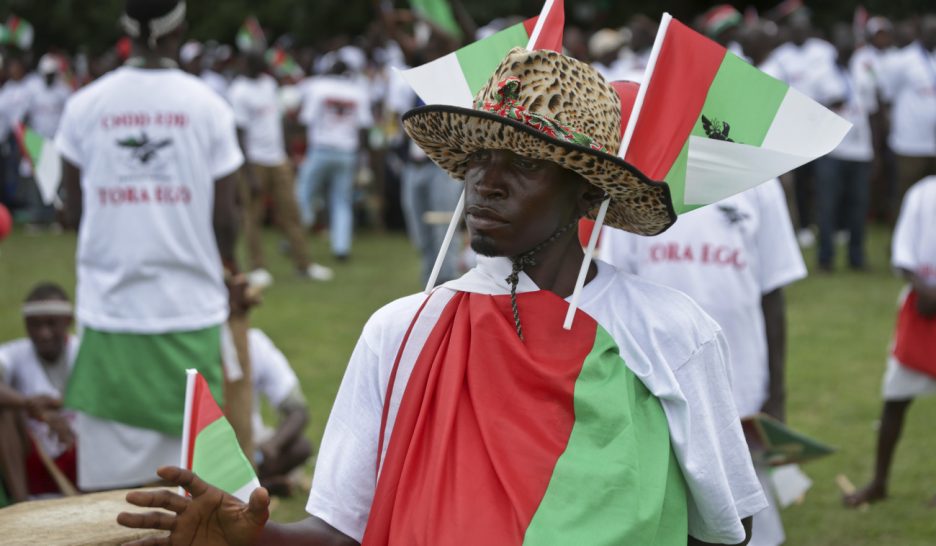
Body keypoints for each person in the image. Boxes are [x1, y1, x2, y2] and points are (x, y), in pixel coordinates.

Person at [120, 48, 764, 546]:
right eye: (480, 157)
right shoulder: (401, 331)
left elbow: (726, 529)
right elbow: (342, 530)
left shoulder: (672, 334)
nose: (486, 183)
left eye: (527, 163)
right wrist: (253, 539)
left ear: (587, 194)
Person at [56, 0, 244, 490]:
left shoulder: (83, 105)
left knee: (106, 497)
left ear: (125, 28)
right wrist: (230, 264)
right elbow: (226, 217)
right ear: (180, 26)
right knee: (196, 488)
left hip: (110, 311)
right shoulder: (209, 106)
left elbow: (72, 212)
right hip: (190, 314)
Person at [599, 176, 807, 546]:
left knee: (747, 514)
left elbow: (773, 293)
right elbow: (612, 291)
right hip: (655, 383)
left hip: (742, 382)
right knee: (665, 504)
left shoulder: (758, 179)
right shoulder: (635, 178)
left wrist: (777, 393)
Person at [844, 174, 936, 509]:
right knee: (895, 397)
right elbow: (903, 254)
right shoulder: (924, 193)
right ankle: (880, 482)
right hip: (922, 311)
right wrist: (923, 289)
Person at [228, 51, 333, 286]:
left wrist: (287, 153)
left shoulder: (268, 84)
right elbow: (239, 133)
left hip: (278, 159)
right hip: (254, 161)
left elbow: (278, 121)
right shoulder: (239, 90)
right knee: (253, 216)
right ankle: (257, 268)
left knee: (292, 213)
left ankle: (304, 264)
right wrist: (247, 172)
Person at [0, 283, 79, 502]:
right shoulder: (14, 353)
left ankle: (98, 493)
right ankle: (21, 505)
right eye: (35, 325)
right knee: (4, 412)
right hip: (33, 460)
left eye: (51, 324)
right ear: (25, 325)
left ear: (68, 321)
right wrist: (30, 406)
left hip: (80, 454)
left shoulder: (83, 351)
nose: (43, 334)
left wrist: (56, 405)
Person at [295, 58, 373, 261]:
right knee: (342, 201)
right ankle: (341, 247)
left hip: (321, 148)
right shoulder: (357, 91)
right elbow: (364, 128)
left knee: (304, 195)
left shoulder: (318, 87)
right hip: (347, 152)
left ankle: (296, 239)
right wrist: (362, 159)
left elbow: (305, 119)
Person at [812, 25, 875, 272]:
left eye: (851, 45)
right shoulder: (821, 74)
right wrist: (829, 104)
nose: (847, 50)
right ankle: (825, 259)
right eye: (843, 45)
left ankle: (856, 258)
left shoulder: (862, 70)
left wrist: (876, 150)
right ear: (835, 47)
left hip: (861, 150)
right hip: (832, 151)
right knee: (828, 206)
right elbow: (808, 109)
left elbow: (872, 110)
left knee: (858, 206)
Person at [878, 15, 936, 219]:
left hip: (933, 143)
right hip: (909, 143)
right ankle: (899, 244)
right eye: (930, 32)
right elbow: (886, 95)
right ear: (921, 34)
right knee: (906, 194)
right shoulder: (903, 60)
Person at [247, 328, 312, 497]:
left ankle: (253, 485)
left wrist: (271, 446)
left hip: (251, 448)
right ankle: (261, 485)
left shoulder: (254, 343)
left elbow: (298, 411)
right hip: (202, 445)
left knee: (301, 447)